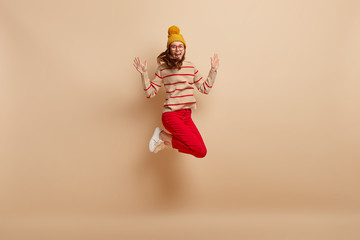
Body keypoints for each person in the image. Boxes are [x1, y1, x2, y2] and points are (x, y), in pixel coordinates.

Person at [133, 25, 219, 158]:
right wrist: (144, 74)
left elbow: (205, 88)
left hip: (186, 116)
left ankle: (164, 138)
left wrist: (213, 71)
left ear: (184, 49)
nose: (177, 49)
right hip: (171, 115)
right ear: (169, 49)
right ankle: (162, 135)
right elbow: (150, 93)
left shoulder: (190, 66)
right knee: (194, 147)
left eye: (181, 46)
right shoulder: (163, 68)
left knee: (201, 152)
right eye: (174, 46)